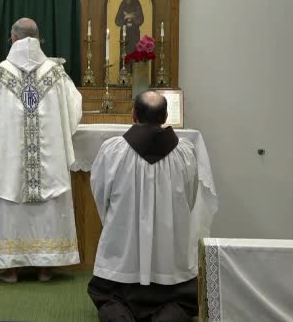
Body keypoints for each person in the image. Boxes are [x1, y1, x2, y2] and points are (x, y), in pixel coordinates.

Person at [0, 18, 82, 283]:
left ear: (13, 39)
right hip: (49, 166)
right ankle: (46, 267)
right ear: (38, 39)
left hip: (10, 168)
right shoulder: (56, 73)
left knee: (9, 198)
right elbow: (74, 109)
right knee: (49, 205)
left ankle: (10, 269)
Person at [88, 91, 217, 322]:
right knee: (179, 303)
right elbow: (190, 198)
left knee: (110, 300)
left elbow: (101, 195)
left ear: (133, 115)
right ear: (166, 116)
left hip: (124, 261)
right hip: (169, 261)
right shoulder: (185, 153)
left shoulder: (113, 151)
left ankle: (121, 314)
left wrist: (117, 224)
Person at [114, 0, 144, 64]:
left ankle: (134, 72)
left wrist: (132, 17)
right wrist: (125, 18)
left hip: (134, 32)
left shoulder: (137, 3)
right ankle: (123, 70)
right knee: (124, 51)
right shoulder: (122, 4)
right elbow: (117, 20)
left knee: (134, 51)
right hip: (125, 32)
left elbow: (140, 18)